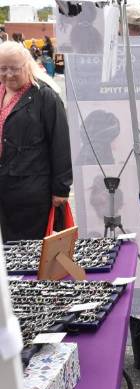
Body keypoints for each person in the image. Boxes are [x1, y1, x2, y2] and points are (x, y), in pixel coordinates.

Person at [0, 41, 72, 241]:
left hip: (32, 190)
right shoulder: (1, 91)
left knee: (32, 251)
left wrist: (61, 189)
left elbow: (61, 144)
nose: (8, 74)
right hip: (5, 187)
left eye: (14, 68)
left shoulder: (45, 96)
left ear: (27, 65)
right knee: (10, 251)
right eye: (3, 69)